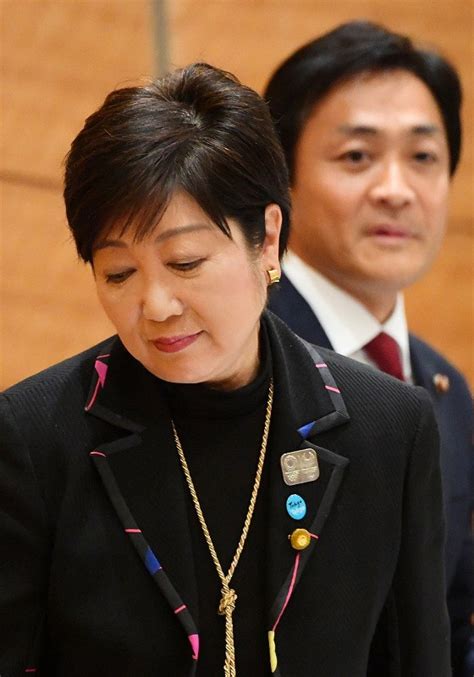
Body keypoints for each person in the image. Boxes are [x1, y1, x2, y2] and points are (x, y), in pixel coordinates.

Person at [0, 62, 450, 677]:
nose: (156, 306)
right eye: (118, 273)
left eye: (185, 263)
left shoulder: (390, 428)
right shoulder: (34, 437)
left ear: (266, 238)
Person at [264, 20, 473, 676]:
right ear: (281, 180)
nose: (395, 188)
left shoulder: (443, 384)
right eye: (356, 156)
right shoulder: (237, 361)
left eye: (423, 157)